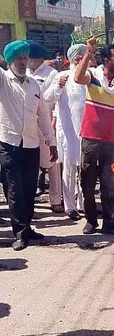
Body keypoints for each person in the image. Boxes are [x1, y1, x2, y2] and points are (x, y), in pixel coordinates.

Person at [0, 41, 58, 250]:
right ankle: (20, 233)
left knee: (29, 189)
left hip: (32, 145)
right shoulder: (4, 81)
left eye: (25, 57)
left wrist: (51, 142)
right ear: (9, 60)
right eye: (18, 58)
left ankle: (27, 227)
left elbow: (42, 115)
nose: (23, 61)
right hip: (9, 145)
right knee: (14, 190)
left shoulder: (34, 84)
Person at [75, 38, 114, 235]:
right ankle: (91, 220)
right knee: (88, 182)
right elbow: (78, 78)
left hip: (111, 140)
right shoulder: (93, 76)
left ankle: (109, 221)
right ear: (106, 60)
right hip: (91, 138)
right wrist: (88, 53)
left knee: (109, 183)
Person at [43, 44, 87, 221]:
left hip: (86, 130)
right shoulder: (63, 76)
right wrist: (58, 87)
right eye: (82, 57)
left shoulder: (89, 76)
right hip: (68, 131)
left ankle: (83, 204)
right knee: (69, 169)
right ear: (76, 59)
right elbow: (48, 97)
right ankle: (70, 206)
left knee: (86, 169)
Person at [27, 41, 63, 214]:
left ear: (36, 58)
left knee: (52, 165)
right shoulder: (24, 72)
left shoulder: (51, 73)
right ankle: (29, 201)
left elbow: (53, 98)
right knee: (29, 166)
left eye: (28, 57)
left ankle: (56, 200)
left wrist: (53, 122)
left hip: (47, 124)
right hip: (27, 126)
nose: (25, 60)